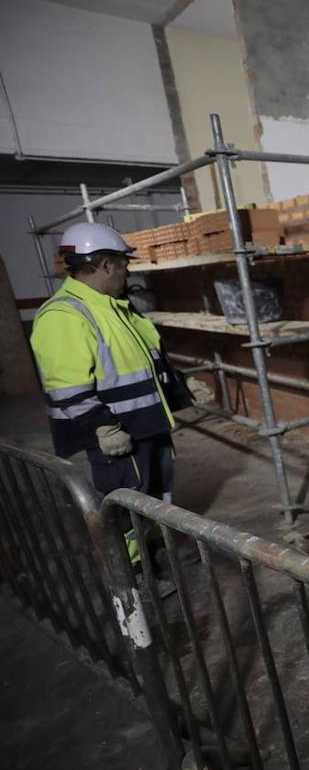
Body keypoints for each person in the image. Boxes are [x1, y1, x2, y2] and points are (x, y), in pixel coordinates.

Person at [30, 221, 212, 563]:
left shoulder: (114, 305)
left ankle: (156, 550)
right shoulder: (64, 315)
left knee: (157, 492)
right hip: (117, 432)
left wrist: (182, 382)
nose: (127, 271)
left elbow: (145, 358)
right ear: (106, 265)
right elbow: (65, 387)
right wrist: (103, 427)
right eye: (124, 263)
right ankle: (131, 572)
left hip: (147, 423)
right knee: (128, 501)